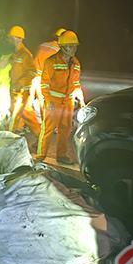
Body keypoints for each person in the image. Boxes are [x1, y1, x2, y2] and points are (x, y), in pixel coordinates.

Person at [35, 30, 84, 165]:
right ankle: (40, 156)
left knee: (65, 129)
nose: (73, 49)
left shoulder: (76, 63)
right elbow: (44, 84)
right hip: (53, 101)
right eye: (70, 46)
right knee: (48, 129)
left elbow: (76, 84)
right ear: (62, 47)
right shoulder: (51, 62)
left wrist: (81, 100)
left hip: (68, 102)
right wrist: (48, 100)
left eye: (75, 46)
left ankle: (61, 155)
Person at [7, 26, 40, 136]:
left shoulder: (25, 54)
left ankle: (8, 139)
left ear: (19, 38)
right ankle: (41, 137)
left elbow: (33, 72)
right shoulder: (15, 54)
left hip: (21, 92)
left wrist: (21, 83)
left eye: (12, 37)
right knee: (27, 115)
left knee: (14, 117)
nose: (9, 40)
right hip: (15, 90)